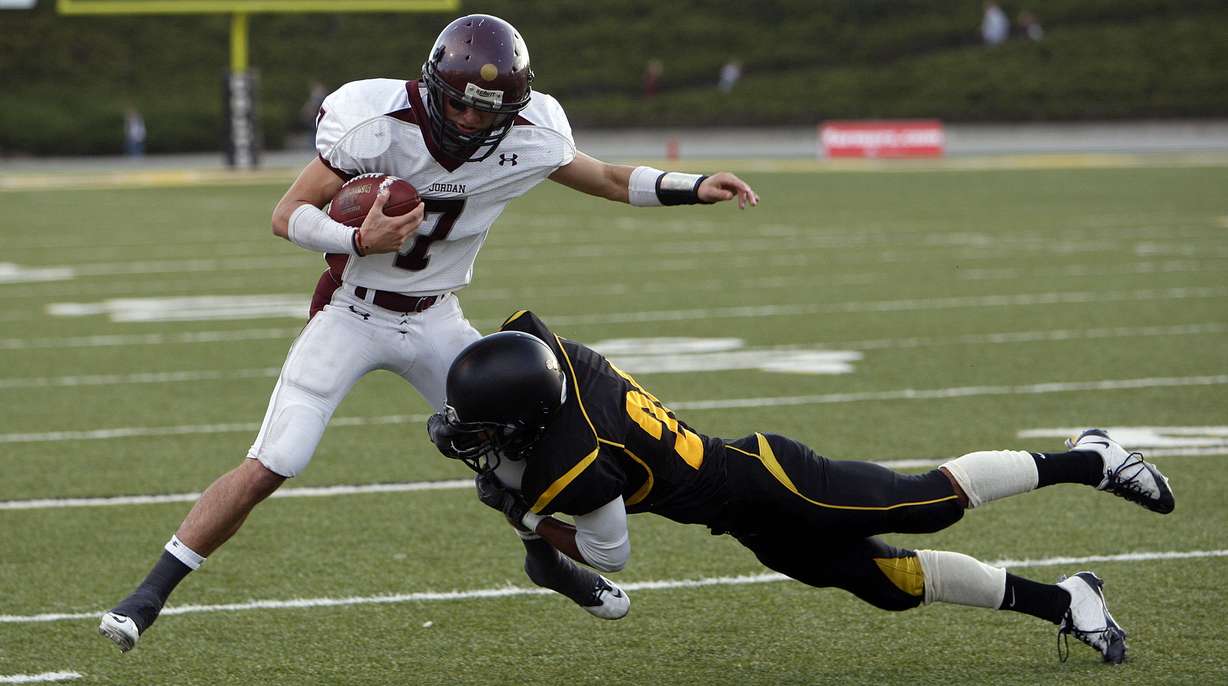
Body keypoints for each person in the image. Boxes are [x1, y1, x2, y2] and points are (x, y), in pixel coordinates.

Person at [98, 13, 758, 653]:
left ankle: (540, 549)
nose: (471, 119)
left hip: (438, 317)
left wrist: (692, 184)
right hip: (351, 312)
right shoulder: (375, 121)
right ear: (434, 87)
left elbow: (611, 177)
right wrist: (356, 236)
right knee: (278, 459)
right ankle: (151, 593)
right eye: (460, 105)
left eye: (487, 110)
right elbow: (286, 213)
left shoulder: (531, 134)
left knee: (558, 490)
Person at [428, 311, 1176, 665]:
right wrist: (523, 494)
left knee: (927, 504)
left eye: (492, 430)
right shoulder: (552, 356)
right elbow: (517, 358)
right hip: (744, 516)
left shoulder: (577, 459)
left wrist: (530, 515)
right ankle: (1069, 598)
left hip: (770, 483)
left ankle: (1091, 458)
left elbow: (608, 556)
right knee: (889, 585)